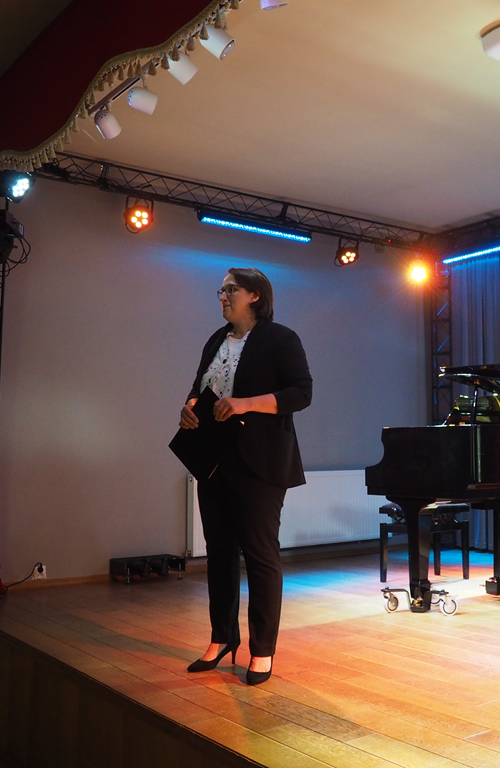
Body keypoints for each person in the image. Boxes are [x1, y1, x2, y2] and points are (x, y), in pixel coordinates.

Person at [178, 267, 312, 685]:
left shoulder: (281, 338)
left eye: (230, 289)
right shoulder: (215, 341)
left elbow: (301, 393)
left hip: (260, 461)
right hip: (213, 458)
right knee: (219, 552)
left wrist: (245, 403)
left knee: (259, 554)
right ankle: (222, 638)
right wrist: (189, 407)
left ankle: (262, 650)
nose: (222, 296)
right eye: (220, 290)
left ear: (255, 295)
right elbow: (200, 388)